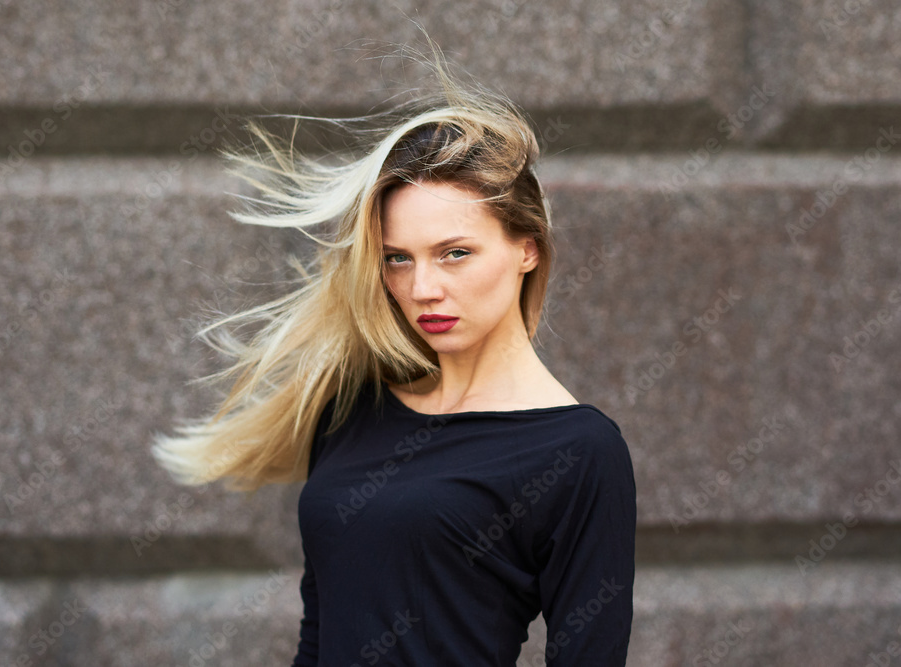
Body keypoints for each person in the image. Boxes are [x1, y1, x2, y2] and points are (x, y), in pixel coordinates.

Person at [151, 34, 636, 666]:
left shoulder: (577, 453)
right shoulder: (353, 409)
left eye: (455, 253)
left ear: (528, 249)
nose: (422, 288)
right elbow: (320, 632)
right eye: (397, 259)